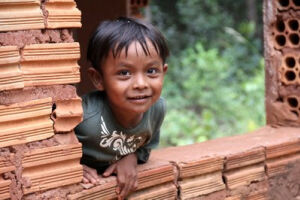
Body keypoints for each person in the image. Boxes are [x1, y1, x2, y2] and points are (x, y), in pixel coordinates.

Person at [75, 16, 169, 199]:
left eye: (151, 71)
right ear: (98, 79)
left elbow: (145, 144)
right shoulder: (84, 116)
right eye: (124, 73)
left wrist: (131, 157)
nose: (141, 84)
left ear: (163, 72)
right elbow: (48, 147)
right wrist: (71, 168)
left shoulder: (157, 109)